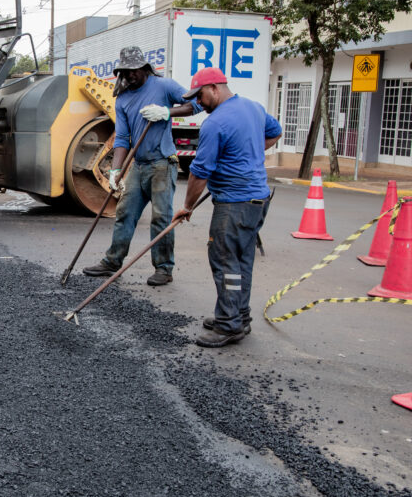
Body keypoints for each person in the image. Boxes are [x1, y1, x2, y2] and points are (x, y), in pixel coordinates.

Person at [171, 67, 282, 348]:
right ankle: (239, 316)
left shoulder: (215, 123)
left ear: (215, 89)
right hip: (258, 200)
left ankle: (229, 324)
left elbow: (199, 172)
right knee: (242, 260)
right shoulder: (253, 108)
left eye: (200, 96)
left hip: (234, 204)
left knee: (225, 261)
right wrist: (248, 155)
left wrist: (187, 206)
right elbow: (275, 132)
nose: (198, 102)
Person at [82, 46, 202, 286]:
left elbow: (196, 104)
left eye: (134, 70)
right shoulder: (123, 99)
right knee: (125, 212)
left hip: (162, 164)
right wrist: (116, 170)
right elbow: (123, 138)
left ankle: (164, 268)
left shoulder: (164, 86)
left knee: (161, 217)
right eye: (125, 71)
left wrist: (166, 112)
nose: (130, 75)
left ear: (145, 68)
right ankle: (112, 261)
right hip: (139, 165)